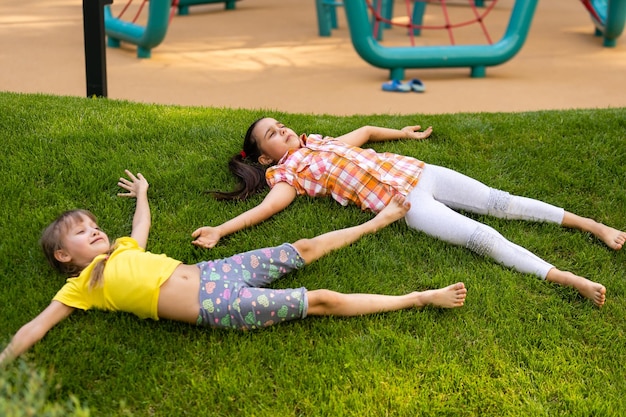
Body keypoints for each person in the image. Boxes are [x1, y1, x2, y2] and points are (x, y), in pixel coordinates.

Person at [0, 170, 467, 366]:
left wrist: (142, 193)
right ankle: (419, 297)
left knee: (302, 247)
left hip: (217, 272)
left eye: (93, 225)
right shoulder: (83, 287)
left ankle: (380, 220)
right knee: (318, 301)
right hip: (218, 304)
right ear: (64, 256)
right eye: (81, 234)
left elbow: (140, 224)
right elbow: (33, 329)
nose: (94, 232)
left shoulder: (123, 250)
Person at [192, 118, 626, 307]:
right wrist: (221, 230)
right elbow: (267, 210)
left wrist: (402, 133)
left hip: (421, 172)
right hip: (407, 206)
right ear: (265, 158)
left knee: (501, 202)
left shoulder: (317, 143)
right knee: (485, 239)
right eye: (271, 134)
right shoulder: (290, 174)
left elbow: (362, 133)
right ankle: (568, 279)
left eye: (280, 123)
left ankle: (592, 224)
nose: (282, 130)